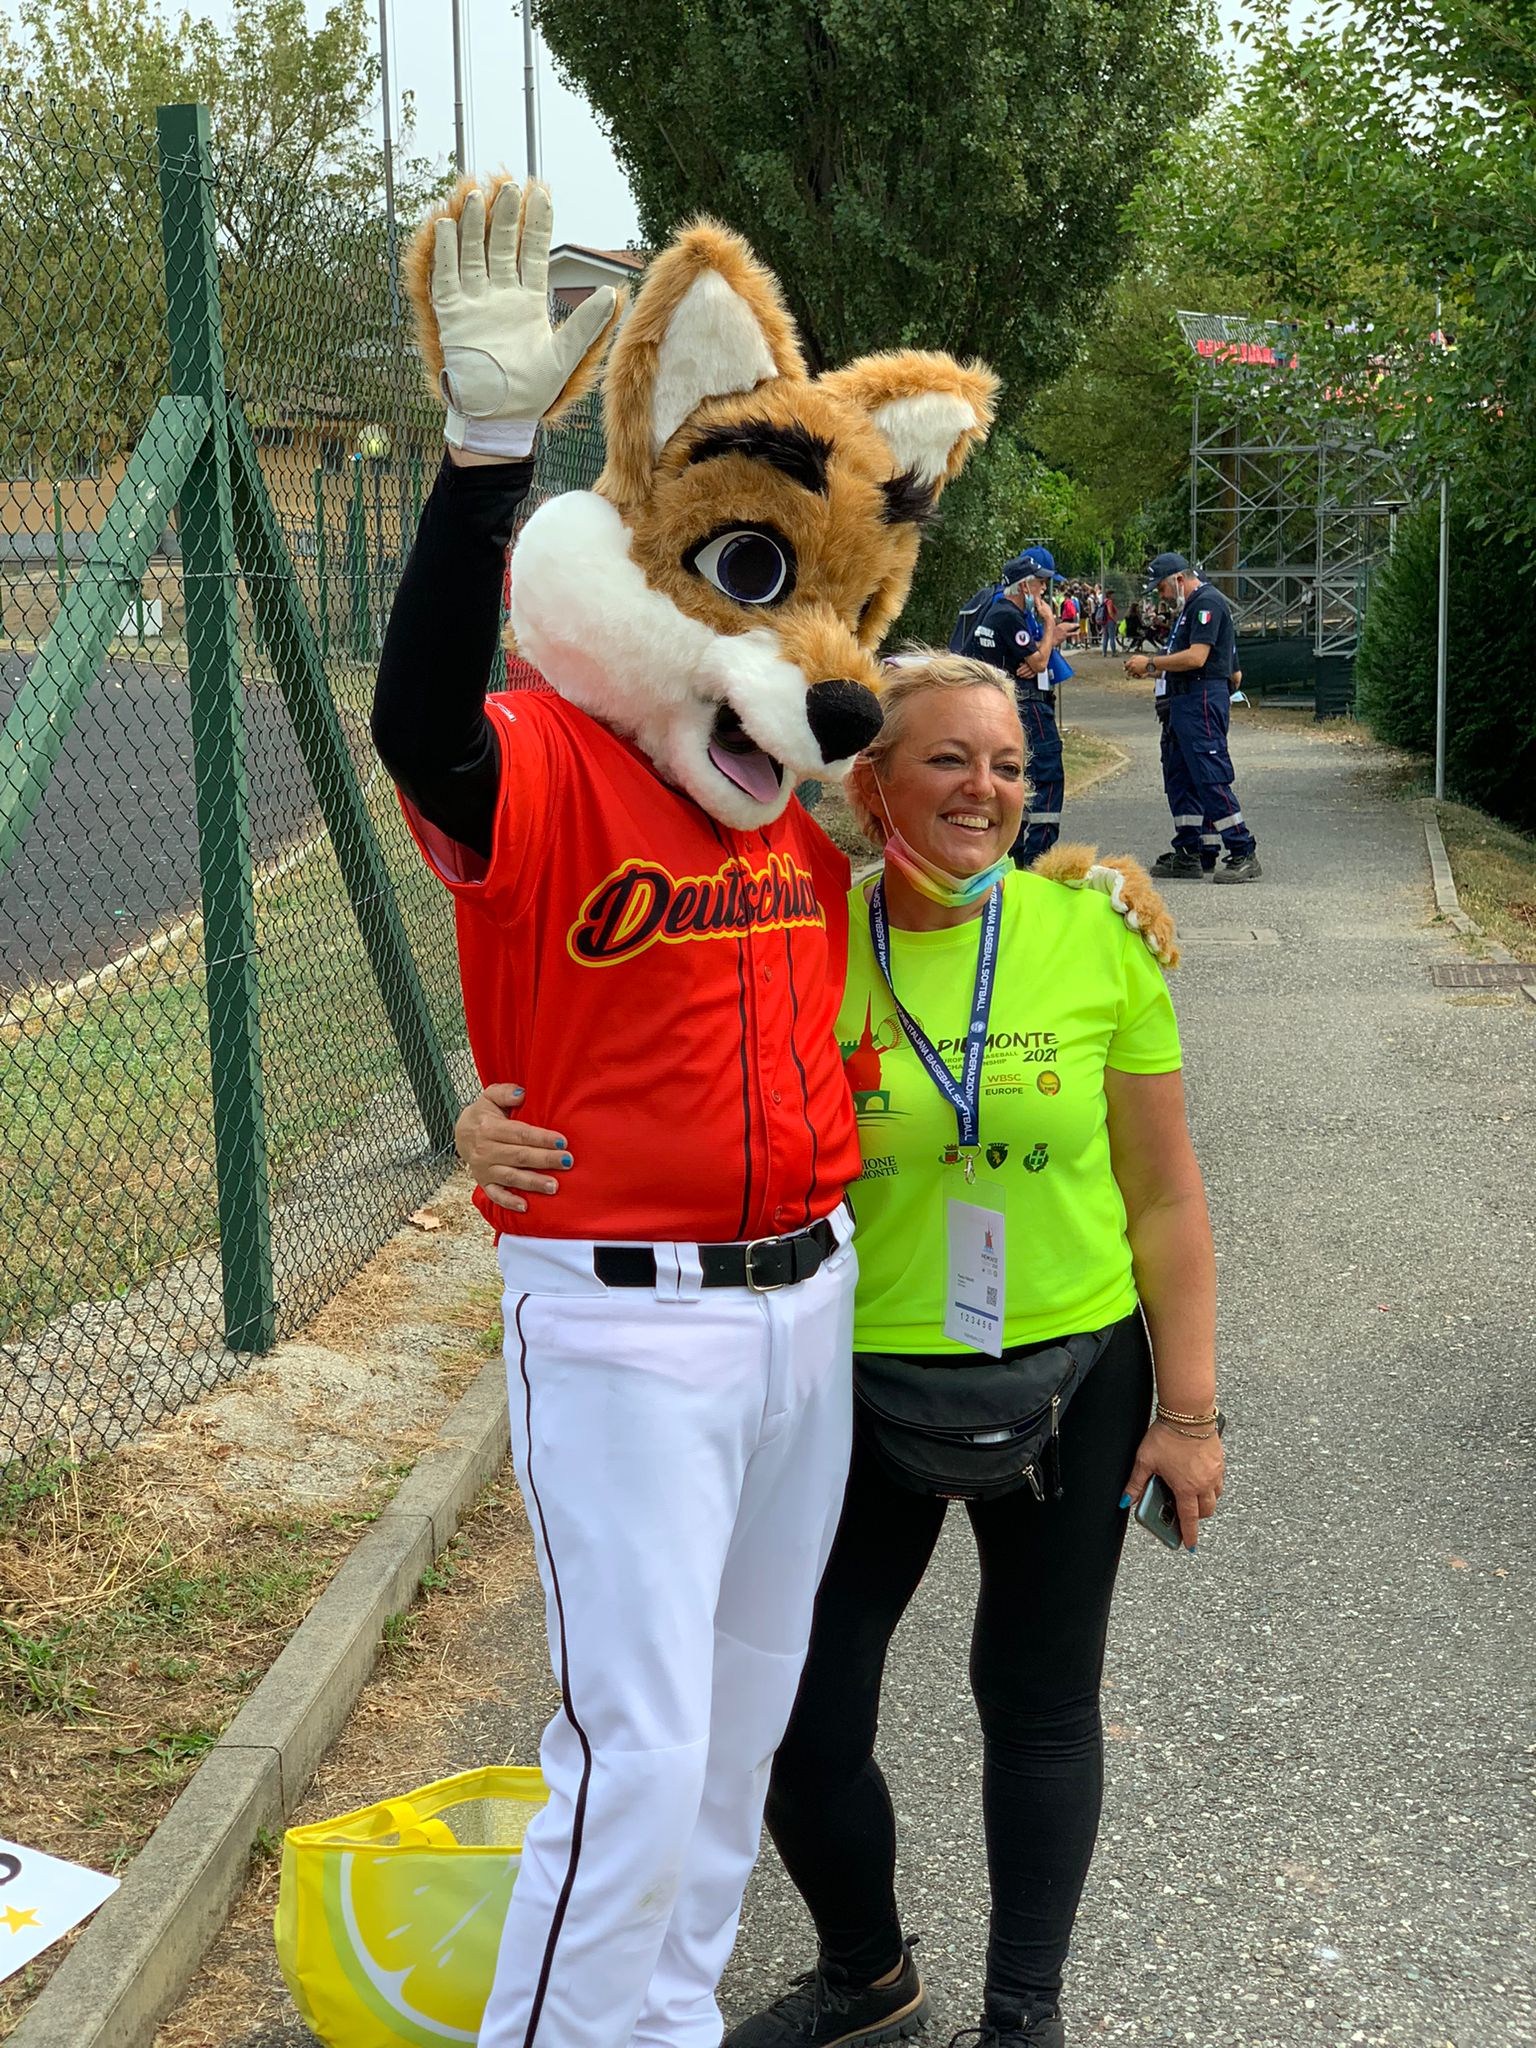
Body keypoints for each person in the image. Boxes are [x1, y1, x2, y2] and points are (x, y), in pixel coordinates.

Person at [374, 177, 998, 2048]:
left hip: (805, 1301)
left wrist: (1108, 892)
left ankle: (662, 2021)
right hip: (622, 1316)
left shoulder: (797, 825)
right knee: (635, 1743)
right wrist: (485, 465)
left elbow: (968, 878)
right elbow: (420, 724)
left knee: (736, 1724)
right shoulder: (552, 762)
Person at [458, 653, 1227, 2048]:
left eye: (1009, 764)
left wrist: (1191, 1411)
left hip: (1075, 1373)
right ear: (869, 786)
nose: (985, 789)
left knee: (1040, 1703)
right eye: (949, 759)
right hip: (854, 1378)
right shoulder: (803, 918)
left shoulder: (1097, 930)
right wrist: (494, 1112)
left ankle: (1025, 2017)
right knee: (797, 1716)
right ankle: (869, 1973)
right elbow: (653, 1040)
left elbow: (1168, 1196)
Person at [1125, 552, 1261, 884]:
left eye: (1161, 588)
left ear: (1179, 580)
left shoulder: (1206, 604)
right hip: (1183, 701)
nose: (1161, 596)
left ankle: (1242, 850)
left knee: (1210, 775)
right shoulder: (1190, 608)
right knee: (1182, 777)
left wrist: (1152, 663)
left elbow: (1198, 657)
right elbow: (1234, 671)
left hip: (1199, 699)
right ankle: (1194, 850)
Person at [964, 547, 1065, 866]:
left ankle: (1014, 856)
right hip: (1026, 707)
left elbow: (1031, 661)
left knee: (1015, 776)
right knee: (1047, 773)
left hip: (1001, 708)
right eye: (1039, 582)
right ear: (1024, 586)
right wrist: (1049, 626)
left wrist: (1033, 658)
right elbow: (1039, 662)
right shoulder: (1009, 615)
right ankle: (1038, 857)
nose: (1044, 588)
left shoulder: (998, 614)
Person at [1099, 588, 1119, 656]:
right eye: (1113, 594)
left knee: (1105, 638)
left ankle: (1104, 652)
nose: (1114, 596)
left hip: (1104, 621)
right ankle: (1113, 652)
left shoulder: (1104, 601)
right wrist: (1114, 620)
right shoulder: (1109, 602)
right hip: (1110, 621)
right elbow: (1110, 612)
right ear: (1110, 595)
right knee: (1112, 637)